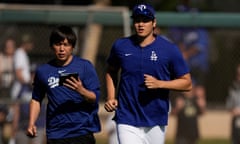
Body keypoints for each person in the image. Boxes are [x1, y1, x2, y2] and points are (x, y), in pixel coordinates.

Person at [104, 3, 192, 144]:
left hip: (156, 119)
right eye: (137, 20)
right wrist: (110, 97)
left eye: (145, 20)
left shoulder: (169, 49)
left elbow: (187, 83)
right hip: (127, 118)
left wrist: (160, 84)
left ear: (154, 22)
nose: (141, 24)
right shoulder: (120, 46)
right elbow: (110, 71)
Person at [25, 25, 101, 144]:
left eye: (66, 45)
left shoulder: (85, 67)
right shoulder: (43, 71)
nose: (61, 49)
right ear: (51, 46)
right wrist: (31, 123)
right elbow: (36, 99)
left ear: (72, 47)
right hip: (56, 133)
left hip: (81, 131)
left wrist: (81, 90)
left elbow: (95, 98)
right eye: (58, 44)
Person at [168, 0, 210, 104]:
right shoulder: (177, 26)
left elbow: (200, 45)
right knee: (181, 94)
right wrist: (181, 53)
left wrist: (185, 54)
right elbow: (176, 40)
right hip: (184, 64)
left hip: (198, 64)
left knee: (199, 94)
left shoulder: (200, 26)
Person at [226, 64, 240, 144]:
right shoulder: (233, 90)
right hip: (236, 124)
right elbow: (229, 106)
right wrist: (233, 110)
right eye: (238, 74)